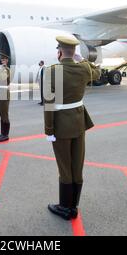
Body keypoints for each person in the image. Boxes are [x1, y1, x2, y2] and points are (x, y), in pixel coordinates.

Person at [44, 36, 101, 221]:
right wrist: (82, 59)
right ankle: (74, 206)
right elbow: (97, 73)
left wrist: (49, 130)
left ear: (59, 52)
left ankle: (65, 207)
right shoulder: (83, 68)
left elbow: (49, 104)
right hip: (78, 122)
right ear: (74, 52)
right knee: (77, 165)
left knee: (65, 167)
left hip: (61, 126)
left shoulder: (52, 71)